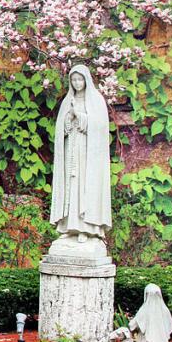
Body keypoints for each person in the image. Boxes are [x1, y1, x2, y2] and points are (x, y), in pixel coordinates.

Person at [49, 64, 112, 246]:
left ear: (86, 80)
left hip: (88, 153)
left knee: (85, 186)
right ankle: (69, 228)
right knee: (71, 186)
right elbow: (61, 130)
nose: (77, 83)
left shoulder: (96, 100)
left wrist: (81, 117)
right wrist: (68, 120)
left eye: (80, 79)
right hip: (72, 149)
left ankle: (87, 229)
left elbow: (100, 127)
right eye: (74, 80)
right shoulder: (68, 100)